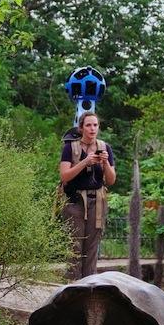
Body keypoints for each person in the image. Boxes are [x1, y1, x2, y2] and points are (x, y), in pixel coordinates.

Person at [59, 112, 116, 279]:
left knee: (92, 248)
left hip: (96, 202)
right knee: (75, 247)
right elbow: (64, 176)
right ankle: (72, 288)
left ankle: (89, 287)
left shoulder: (105, 148)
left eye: (95, 125)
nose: (92, 129)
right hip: (75, 202)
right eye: (88, 125)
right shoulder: (70, 147)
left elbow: (111, 180)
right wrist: (85, 162)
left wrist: (104, 163)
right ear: (81, 128)